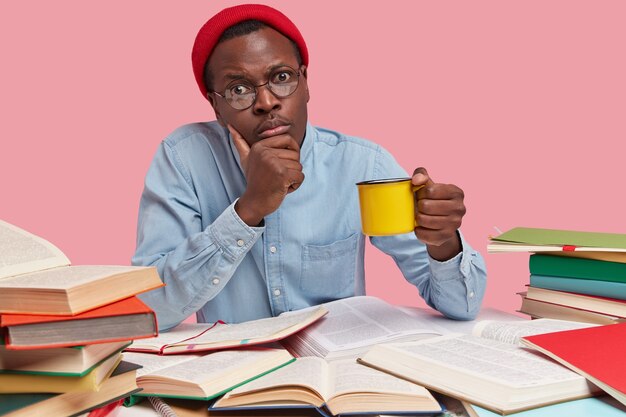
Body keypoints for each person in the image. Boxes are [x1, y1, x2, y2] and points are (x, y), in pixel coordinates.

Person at [132, 4, 487, 331]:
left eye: (282, 78)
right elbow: (149, 309)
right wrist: (249, 209)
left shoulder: (361, 164)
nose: (267, 102)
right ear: (215, 105)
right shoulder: (184, 159)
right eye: (239, 89)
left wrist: (443, 244)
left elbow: (461, 306)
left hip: (336, 373)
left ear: (306, 83)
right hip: (230, 379)